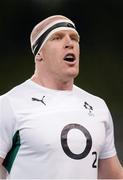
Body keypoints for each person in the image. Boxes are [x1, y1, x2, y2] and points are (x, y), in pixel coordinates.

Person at [0, 15, 123, 179]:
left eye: (74, 38)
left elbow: (111, 175)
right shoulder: (10, 104)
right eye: (57, 38)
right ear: (39, 54)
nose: (69, 43)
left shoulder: (98, 106)